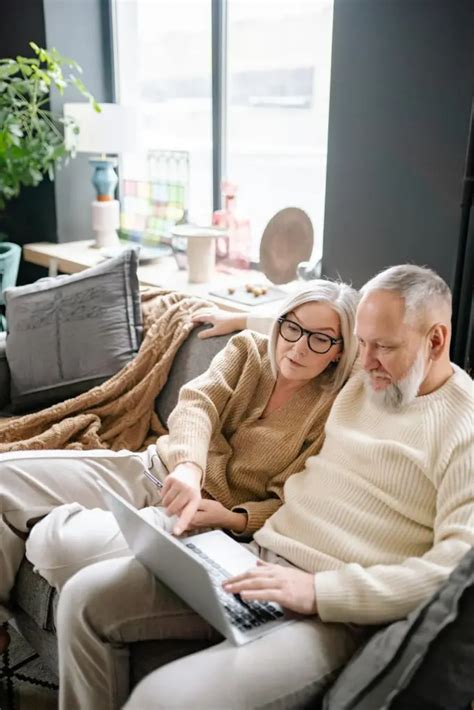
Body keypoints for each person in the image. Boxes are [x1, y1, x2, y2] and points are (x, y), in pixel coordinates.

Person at [53, 264, 473, 710]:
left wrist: (319, 593)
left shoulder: (463, 429)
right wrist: (242, 318)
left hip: (329, 610)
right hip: (251, 557)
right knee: (84, 599)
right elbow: (309, 326)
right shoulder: (367, 374)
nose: (365, 361)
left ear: (436, 340)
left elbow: (453, 576)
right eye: (362, 343)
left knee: (163, 699)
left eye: (383, 347)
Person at [0, 280, 359, 653]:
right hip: (151, 468)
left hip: (194, 520)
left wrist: (233, 518)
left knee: (54, 544)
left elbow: (292, 500)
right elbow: (197, 402)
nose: (298, 347)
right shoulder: (248, 348)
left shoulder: (332, 411)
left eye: (321, 339)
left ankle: (55, 522)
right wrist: (189, 466)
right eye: (293, 328)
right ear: (280, 322)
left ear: (340, 350)